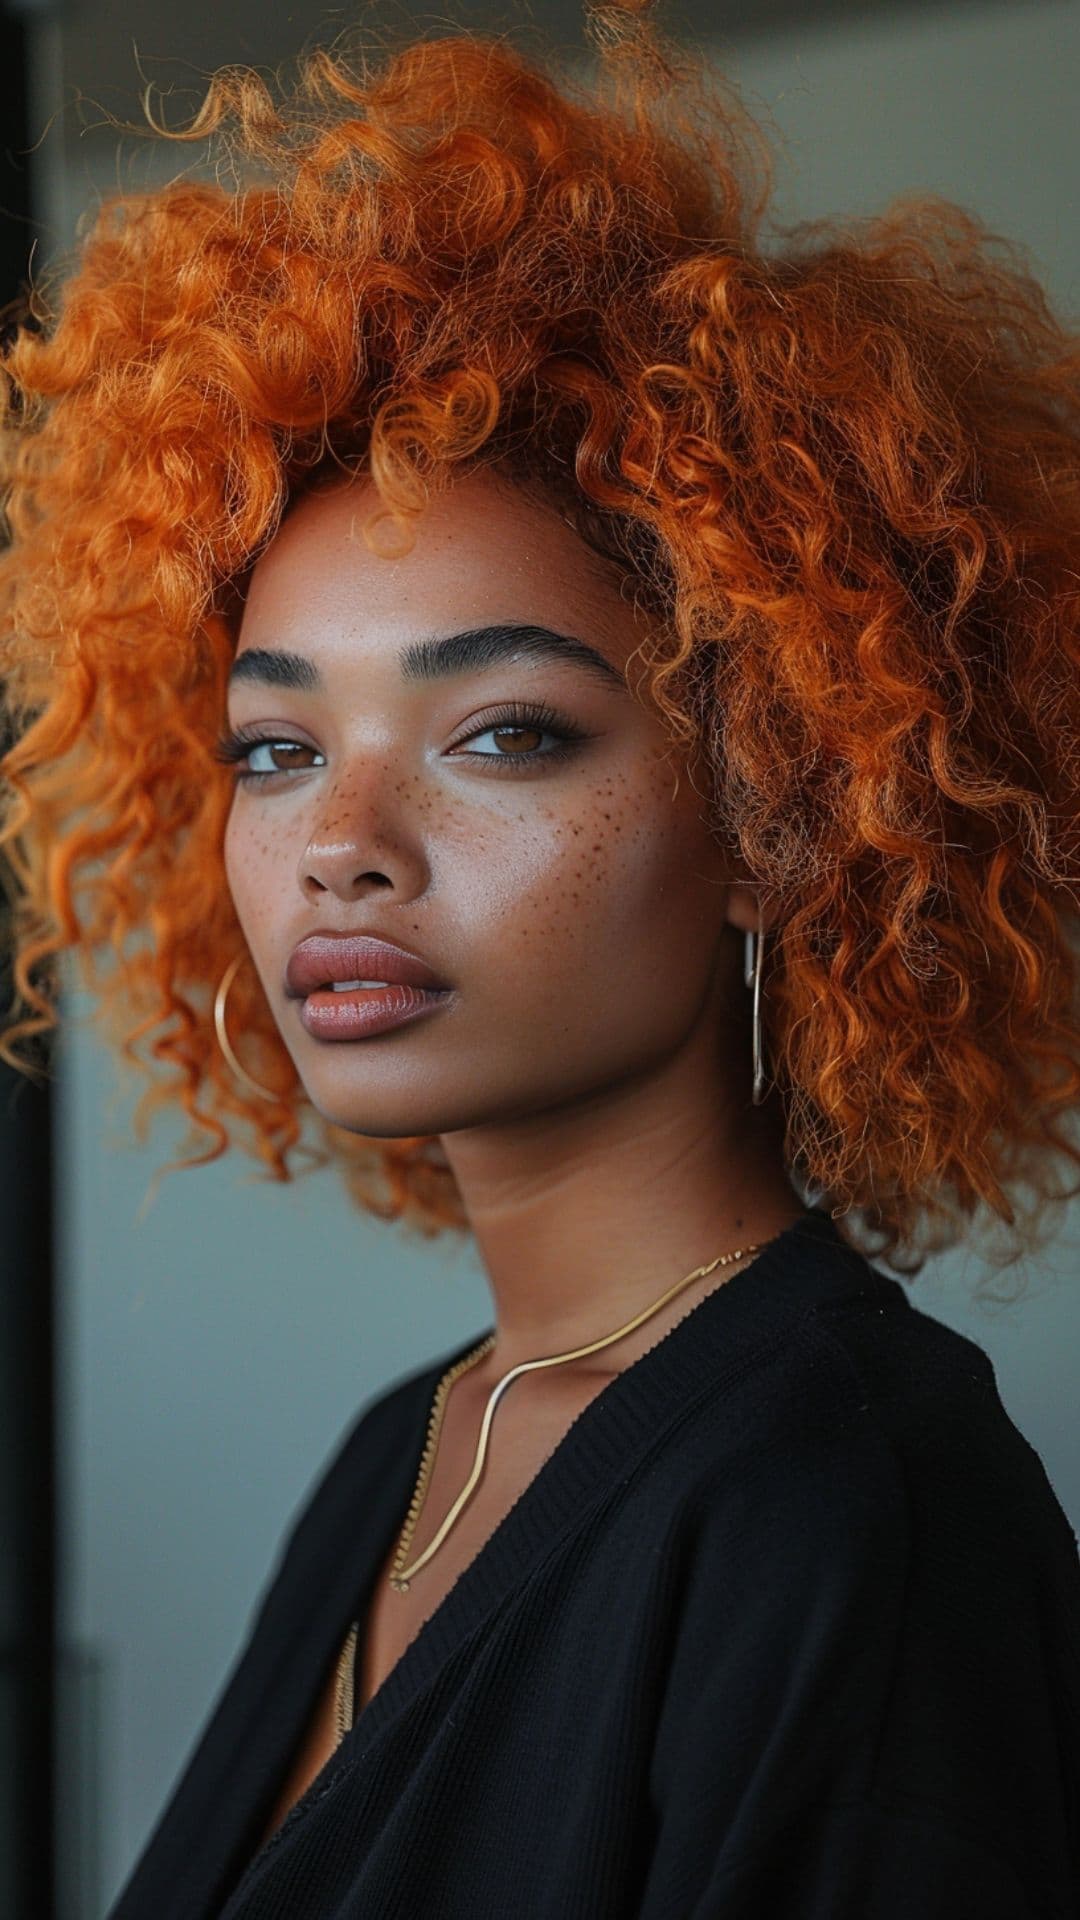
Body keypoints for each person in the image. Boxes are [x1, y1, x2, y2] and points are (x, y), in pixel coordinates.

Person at [1, 4, 1079, 1915]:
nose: (338, 841)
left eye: (501, 733)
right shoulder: (405, 1453)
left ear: (782, 815)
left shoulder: (853, 1515)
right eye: (275, 746)